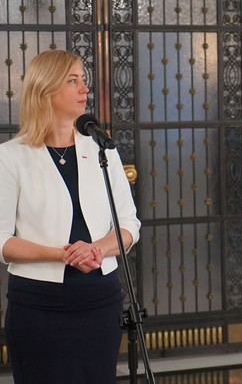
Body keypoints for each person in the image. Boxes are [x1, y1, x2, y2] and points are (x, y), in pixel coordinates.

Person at [0, 50, 141, 384]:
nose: (84, 88)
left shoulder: (102, 149)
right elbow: (2, 241)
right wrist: (63, 254)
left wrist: (96, 249)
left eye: (84, 80)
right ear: (46, 89)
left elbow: (129, 225)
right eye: (73, 80)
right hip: (39, 305)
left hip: (99, 301)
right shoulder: (11, 156)